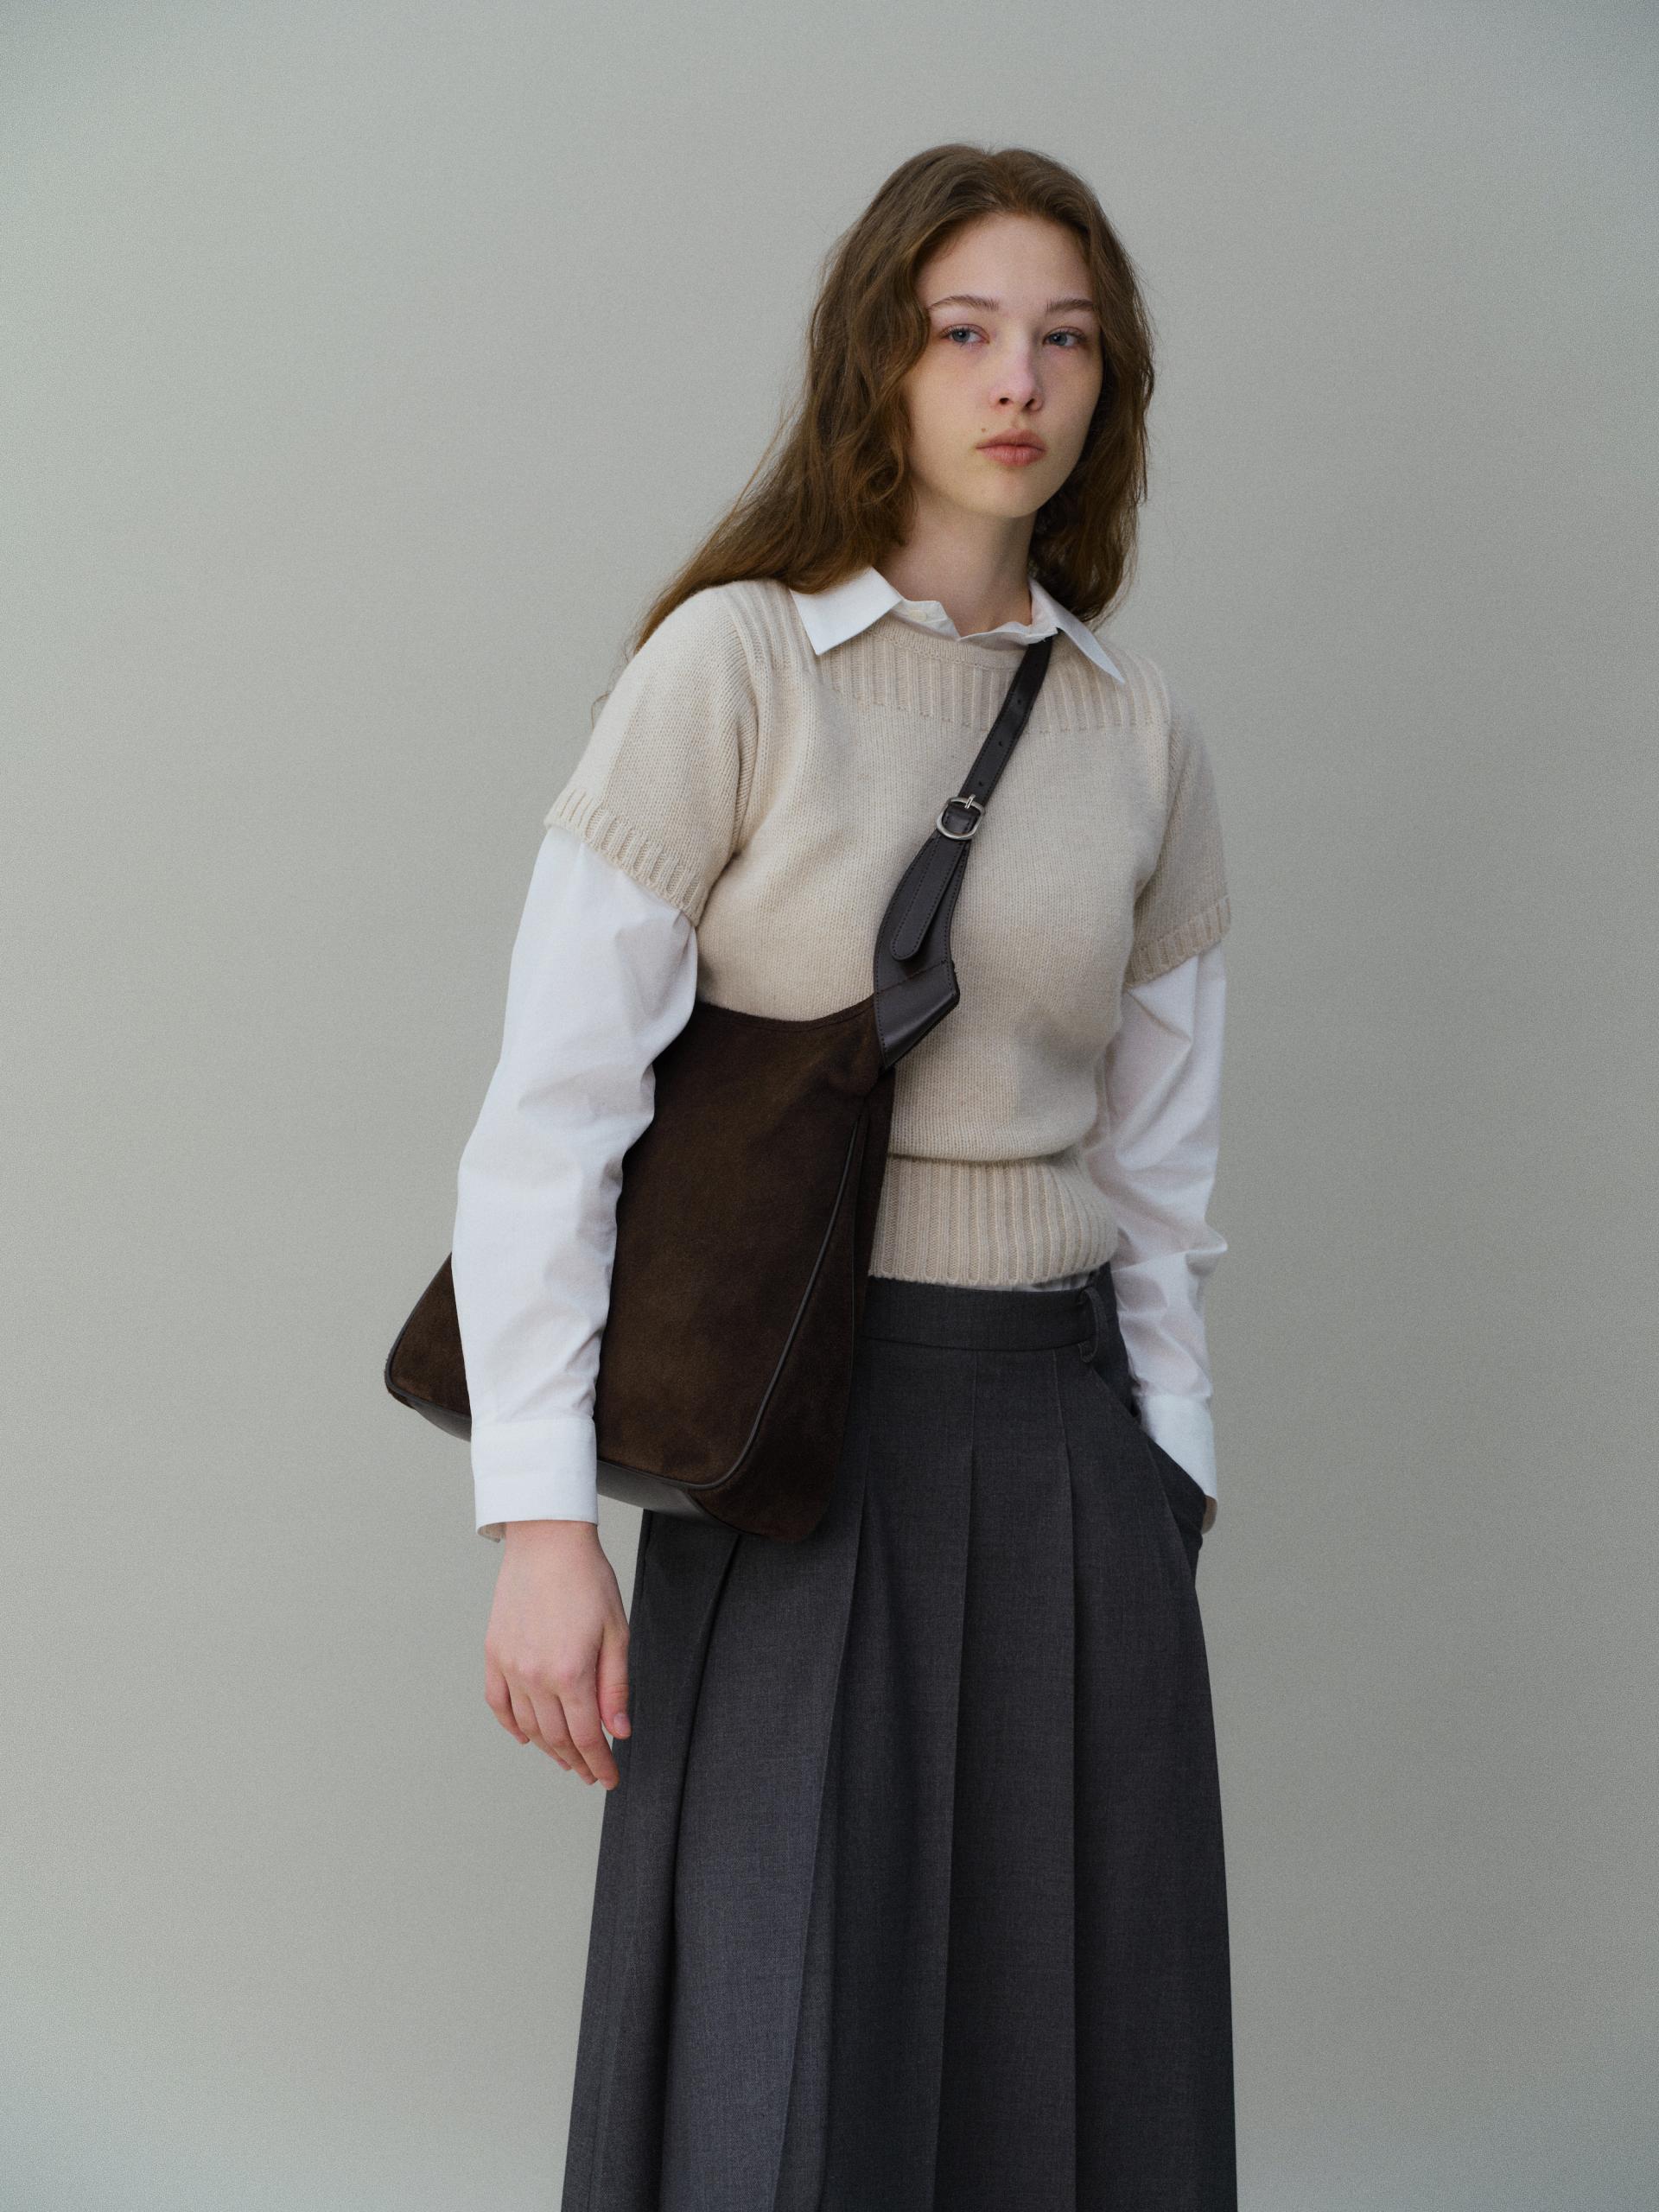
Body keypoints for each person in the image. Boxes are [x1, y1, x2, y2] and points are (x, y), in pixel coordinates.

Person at [450, 143, 1236, 2211]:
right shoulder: (733, 668)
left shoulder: (1140, 730)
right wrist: (541, 1520)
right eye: (964, 331)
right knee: (784, 2072)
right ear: (876, 360)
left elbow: (1160, 1169)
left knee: (1077, 2068)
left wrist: (1170, 1474)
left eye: (1065, 340)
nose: (1018, 380)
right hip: (801, 1447)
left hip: (1067, 1456)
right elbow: (552, 1115)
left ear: (1110, 384)